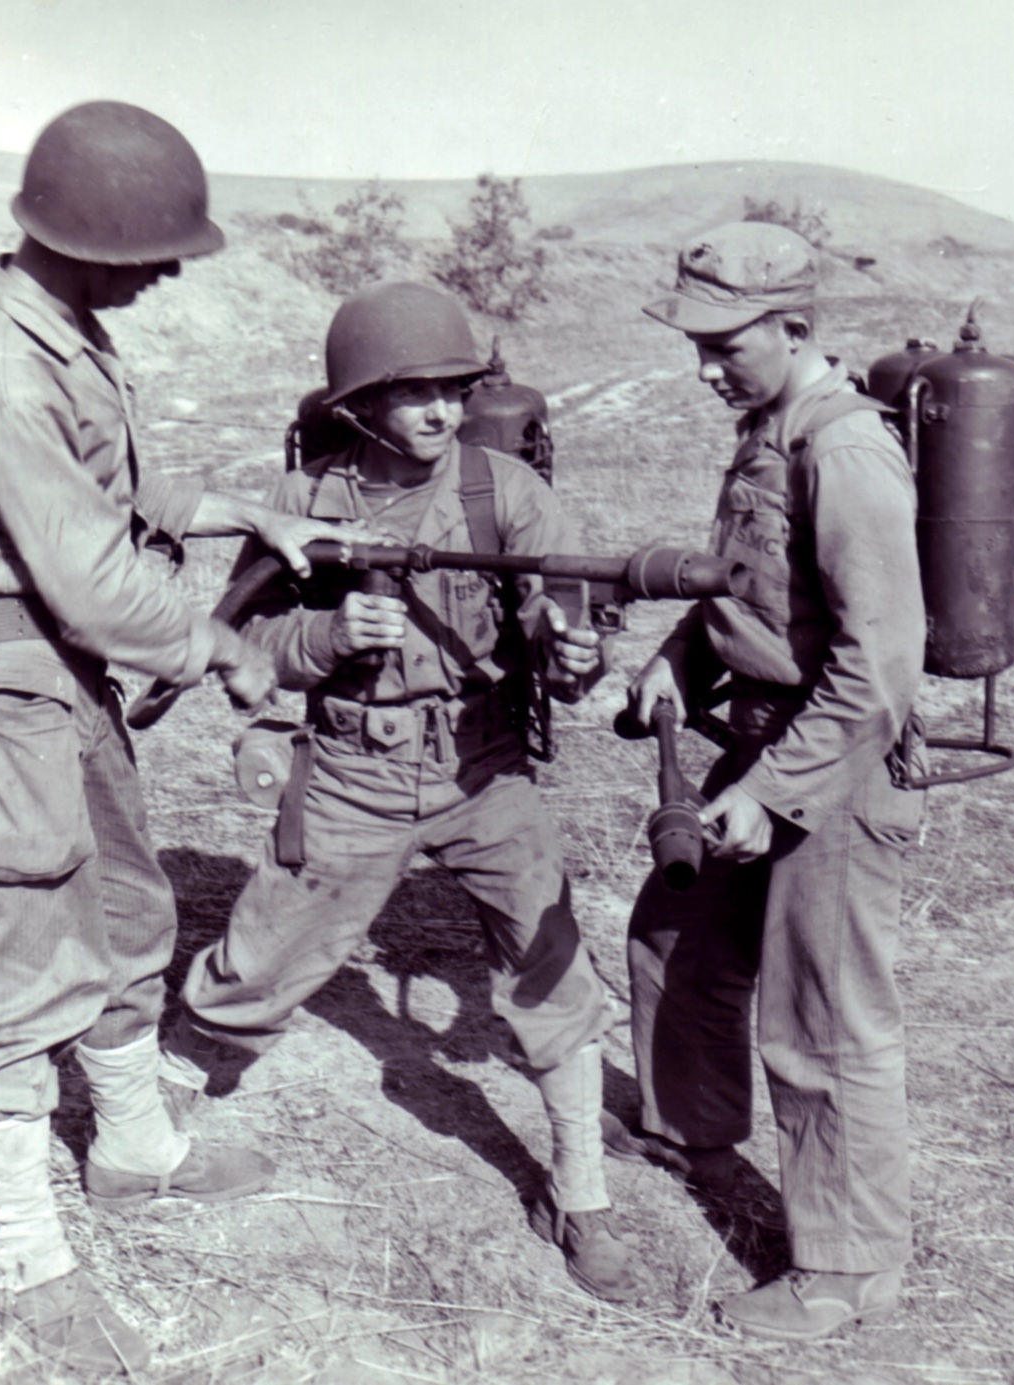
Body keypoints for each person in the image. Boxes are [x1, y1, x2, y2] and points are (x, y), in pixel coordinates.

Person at [0, 101, 361, 1374]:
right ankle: (18, 1252)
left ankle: (136, 1147)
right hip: (5, 692)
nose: (167, 270)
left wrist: (238, 513)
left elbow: (113, 485)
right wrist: (218, 645)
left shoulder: (63, 341)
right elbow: (93, 577)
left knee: (121, 907)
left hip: (62, 680)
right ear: (87, 238)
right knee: (10, 960)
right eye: (154, 247)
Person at [159, 280, 644, 1303]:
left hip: (483, 769)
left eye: (453, 390)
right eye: (414, 393)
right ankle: (146, 1124)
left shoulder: (500, 490)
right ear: (355, 406)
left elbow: (564, 629)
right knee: (259, 960)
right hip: (351, 768)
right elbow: (234, 639)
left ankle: (580, 1193)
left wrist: (572, 653)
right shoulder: (302, 504)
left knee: (551, 965)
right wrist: (327, 637)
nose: (441, 412)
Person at [616, 222, 926, 1340]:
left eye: (724, 345)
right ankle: (690, 1125)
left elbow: (879, 664)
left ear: (793, 328)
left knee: (821, 1022)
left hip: (830, 769)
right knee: (672, 932)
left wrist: (770, 788)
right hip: (760, 742)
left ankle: (845, 1272)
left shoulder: (841, 451)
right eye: (691, 344)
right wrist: (678, 657)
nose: (703, 367)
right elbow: (753, 594)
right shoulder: (764, 428)